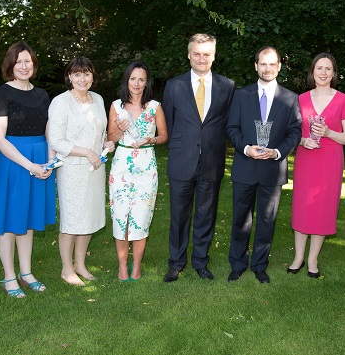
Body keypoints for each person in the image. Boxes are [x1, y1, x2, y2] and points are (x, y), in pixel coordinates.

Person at [0, 41, 57, 298]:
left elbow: (48, 128)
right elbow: (0, 138)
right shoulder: (3, 93)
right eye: (19, 62)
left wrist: (48, 161)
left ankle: (26, 272)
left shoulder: (42, 94)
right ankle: (8, 276)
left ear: (34, 64)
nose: (24, 66)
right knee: (9, 219)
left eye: (28, 61)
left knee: (27, 219)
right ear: (10, 65)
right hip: (14, 162)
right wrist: (30, 166)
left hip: (40, 157)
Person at [162, 34, 235, 282]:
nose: (201, 58)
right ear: (189, 55)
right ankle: (176, 263)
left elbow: (228, 123)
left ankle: (201, 262)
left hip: (212, 160)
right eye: (197, 53)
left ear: (213, 56)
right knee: (179, 215)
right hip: (182, 160)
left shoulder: (227, 86)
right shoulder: (174, 85)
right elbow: (169, 124)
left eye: (206, 54)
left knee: (206, 214)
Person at [226, 46, 302, 284]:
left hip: (272, 168)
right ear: (256, 65)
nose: (267, 68)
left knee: (267, 220)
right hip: (245, 166)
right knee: (241, 218)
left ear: (278, 66)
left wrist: (278, 152)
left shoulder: (290, 98)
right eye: (263, 63)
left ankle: (260, 265)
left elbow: (295, 131)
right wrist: (246, 148)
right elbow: (231, 128)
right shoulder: (240, 95)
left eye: (272, 64)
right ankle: (238, 264)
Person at [48, 57, 115, 286]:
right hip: (72, 170)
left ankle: (80, 265)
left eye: (86, 74)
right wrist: (87, 151)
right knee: (72, 219)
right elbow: (56, 140)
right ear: (69, 77)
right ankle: (66, 269)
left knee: (89, 217)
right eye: (77, 74)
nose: (82, 78)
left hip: (95, 169)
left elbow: (100, 131)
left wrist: (106, 144)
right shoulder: (61, 102)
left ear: (93, 77)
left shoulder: (97, 99)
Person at [288, 53, 345, 279]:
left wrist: (328, 133)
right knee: (302, 205)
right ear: (312, 72)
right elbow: (290, 134)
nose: (323, 73)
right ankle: (298, 257)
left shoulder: (344, 100)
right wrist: (302, 140)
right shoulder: (300, 99)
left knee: (322, 207)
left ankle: (313, 259)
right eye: (319, 68)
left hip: (330, 160)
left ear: (334, 73)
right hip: (306, 158)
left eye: (328, 69)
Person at [107, 61, 168, 282]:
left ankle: (137, 267)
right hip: (122, 165)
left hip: (146, 167)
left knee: (141, 216)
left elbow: (163, 136)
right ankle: (122, 266)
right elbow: (109, 140)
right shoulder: (116, 106)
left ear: (146, 82)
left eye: (141, 79)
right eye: (133, 78)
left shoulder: (154, 106)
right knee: (121, 216)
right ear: (127, 80)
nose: (137, 83)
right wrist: (117, 130)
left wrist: (151, 139)